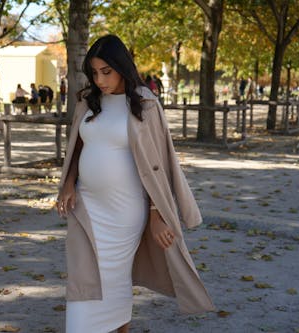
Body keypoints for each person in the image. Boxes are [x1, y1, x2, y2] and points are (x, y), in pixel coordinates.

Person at [56, 35, 214, 333]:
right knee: (82, 276)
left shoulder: (145, 104)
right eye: (93, 72)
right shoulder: (87, 101)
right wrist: (68, 182)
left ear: (122, 68)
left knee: (115, 280)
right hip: (87, 205)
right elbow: (78, 145)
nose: (99, 79)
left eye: (106, 71)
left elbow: (159, 167)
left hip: (125, 213)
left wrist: (156, 216)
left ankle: (118, 326)